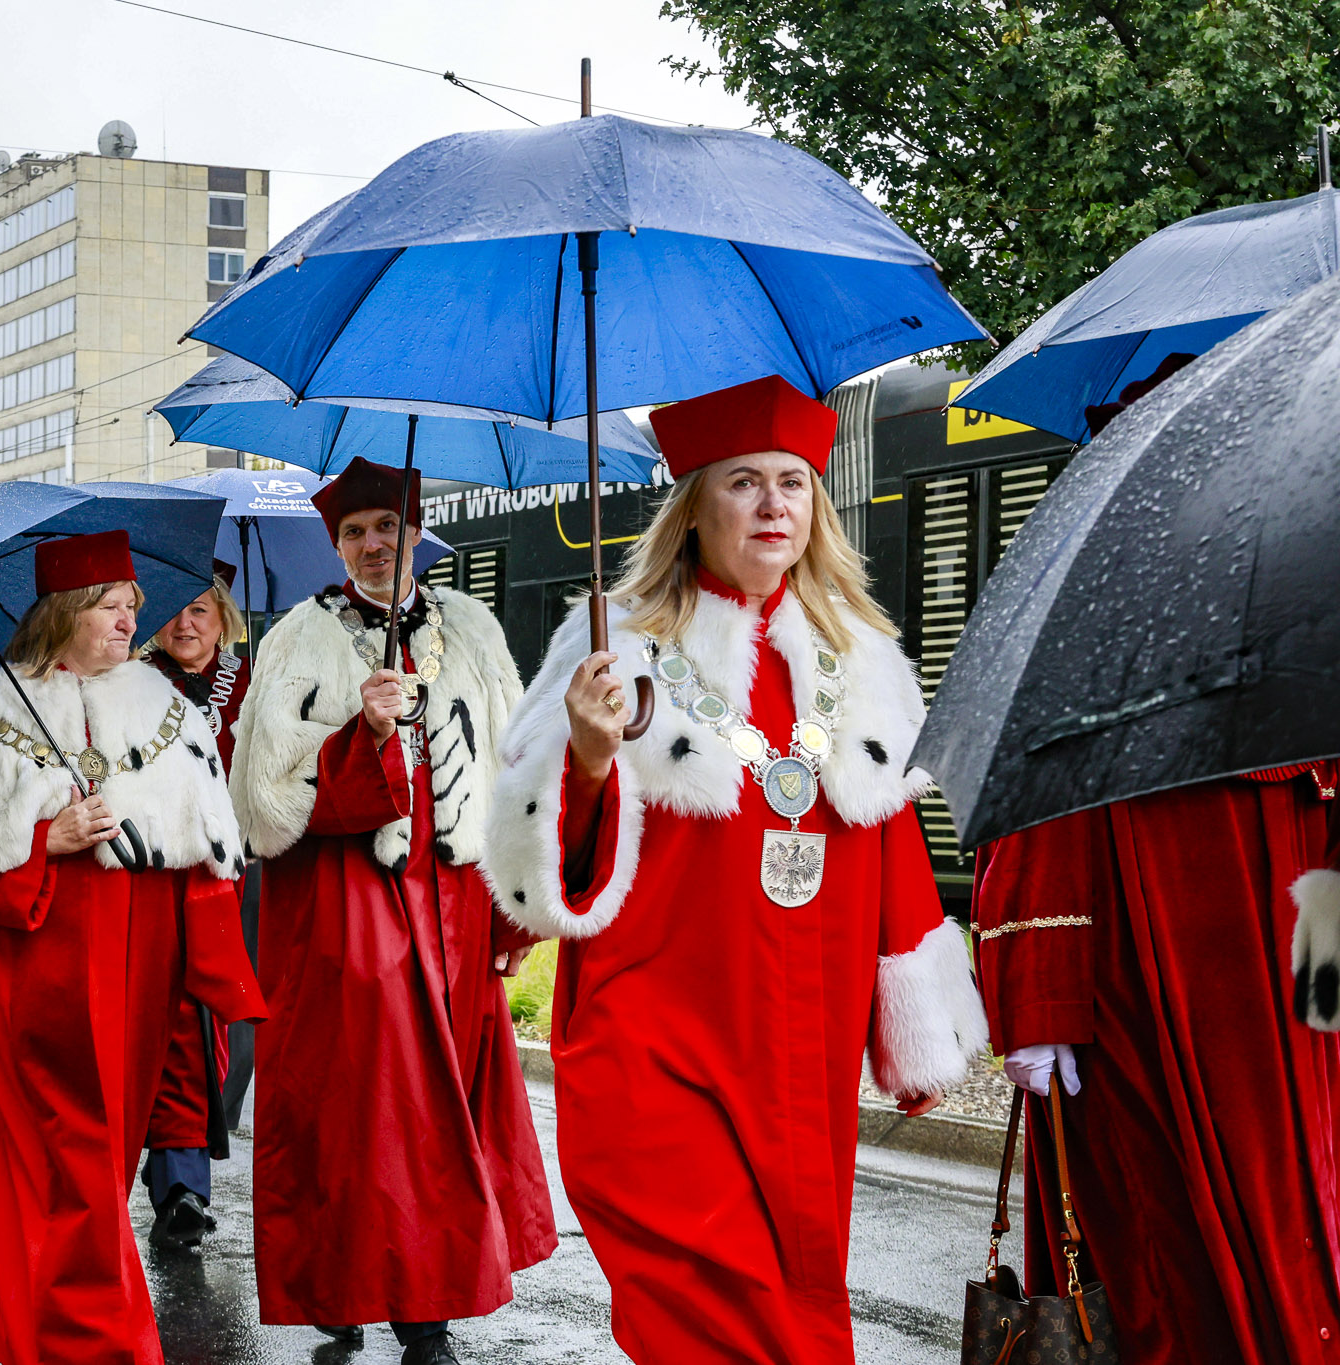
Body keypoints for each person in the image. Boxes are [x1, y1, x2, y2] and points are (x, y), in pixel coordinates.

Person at [483, 375, 986, 1365]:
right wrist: (586, 753)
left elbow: (887, 847)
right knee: (702, 1309)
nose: (771, 505)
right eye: (744, 482)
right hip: (654, 1039)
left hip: (801, 1053)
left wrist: (915, 1036)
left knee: (796, 1303)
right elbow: (538, 861)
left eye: (792, 484)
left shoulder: (865, 662)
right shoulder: (610, 651)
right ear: (693, 508)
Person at [0, 530, 264, 1365]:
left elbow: (211, 853)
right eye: (113, 604)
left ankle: (40, 1340)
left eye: (132, 604)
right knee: (60, 1174)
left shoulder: (167, 709)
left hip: (140, 981)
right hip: (33, 983)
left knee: (98, 1174)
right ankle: (108, 1347)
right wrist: (44, 840)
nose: (129, 617)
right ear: (64, 611)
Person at [232, 457, 556, 1364]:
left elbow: (515, 772)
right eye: (356, 532)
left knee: (441, 1112)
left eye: (388, 527)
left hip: (455, 903)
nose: (374, 545)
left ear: (417, 532)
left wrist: (516, 911)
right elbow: (264, 804)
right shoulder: (297, 637)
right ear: (334, 545)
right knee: (372, 1114)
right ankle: (403, 1309)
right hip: (350, 909)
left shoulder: (475, 629)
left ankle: (413, 1292)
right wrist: (362, 736)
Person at [976, 763, 1340, 1365]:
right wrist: (1038, 988)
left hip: (1292, 931)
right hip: (1145, 934)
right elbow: (1047, 762)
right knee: (1172, 1253)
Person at [135, 561, 251, 1251]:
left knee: (222, 1033)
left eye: (201, 610)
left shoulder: (253, 684)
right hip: (155, 877)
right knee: (174, 1028)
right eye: (175, 609)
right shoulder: (128, 685)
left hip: (236, 880)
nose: (186, 623)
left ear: (224, 618)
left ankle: (182, 1175)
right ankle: (178, 1185)